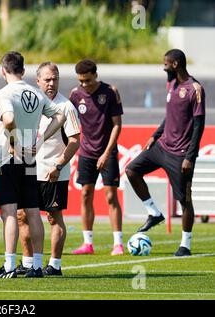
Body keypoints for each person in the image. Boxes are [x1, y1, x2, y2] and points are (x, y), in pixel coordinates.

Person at [0, 51, 65, 279]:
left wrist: (12, 140)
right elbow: (60, 116)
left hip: (8, 159)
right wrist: (40, 140)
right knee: (32, 212)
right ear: (24, 70)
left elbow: (8, 120)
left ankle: (9, 266)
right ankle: (37, 266)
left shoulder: (3, 93)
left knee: (9, 213)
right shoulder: (36, 94)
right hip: (29, 159)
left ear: (3, 71)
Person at [126, 49, 205, 257]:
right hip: (162, 146)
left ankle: (185, 245)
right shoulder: (171, 84)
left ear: (176, 64)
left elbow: (199, 126)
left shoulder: (194, 89)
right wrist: (155, 134)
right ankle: (154, 212)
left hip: (180, 154)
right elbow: (170, 115)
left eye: (166, 64)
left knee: (184, 199)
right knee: (131, 170)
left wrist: (189, 156)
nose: (164, 68)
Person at [16, 62, 80, 276]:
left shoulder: (66, 107)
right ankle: (27, 263)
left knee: (53, 217)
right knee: (22, 215)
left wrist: (59, 165)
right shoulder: (30, 103)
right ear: (38, 81)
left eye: (55, 79)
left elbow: (75, 140)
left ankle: (55, 264)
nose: (52, 83)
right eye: (47, 79)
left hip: (53, 172)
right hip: (28, 170)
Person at [68, 59, 124, 256]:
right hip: (86, 153)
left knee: (110, 196)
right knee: (85, 194)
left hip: (107, 152)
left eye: (87, 80)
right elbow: (69, 122)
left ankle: (118, 243)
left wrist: (106, 153)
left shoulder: (110, 92)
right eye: (80, 81)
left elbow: (117, 124)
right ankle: (87, 243)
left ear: (95, 75)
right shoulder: (75, 95)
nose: (84, 84)